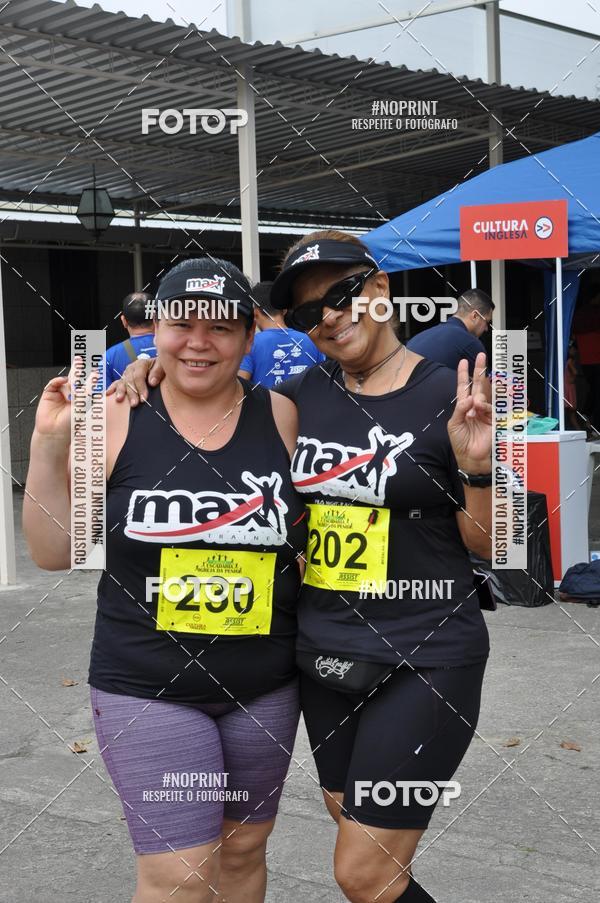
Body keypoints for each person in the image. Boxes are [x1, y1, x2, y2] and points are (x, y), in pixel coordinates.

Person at [113, 232, 493, 903]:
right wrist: (147, 370)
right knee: (352, 823)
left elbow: (489, 545)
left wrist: (478, 466)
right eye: (310, 311)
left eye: (343, 294)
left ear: (380, 288)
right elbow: (207, 388)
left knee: (364, 870)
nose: (331, 316)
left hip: (426, 654)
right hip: (324, 654)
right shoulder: (290, 399)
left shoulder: (453, 396)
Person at [23, 257, 308, 903]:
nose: (199, 342)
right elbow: (54, 551)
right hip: (148, 687)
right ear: (156, 330)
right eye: (182, 324)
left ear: (248, 335)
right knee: (179, 875)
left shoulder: (284, 416)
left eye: (221, 327)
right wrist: (48, 443)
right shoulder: (114, 415)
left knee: (243, 850)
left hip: (264, 687)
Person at [238, 281, 325, 387]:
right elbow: (323, 381)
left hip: (266, 398)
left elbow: (240, 386)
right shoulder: (311, 341)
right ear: (284, 310)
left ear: (255, 312)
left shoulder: (249, 344)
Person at [407, 288, 494, 373]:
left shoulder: (415, 340)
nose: (486, 328)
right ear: (475, 316)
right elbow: (484, 381)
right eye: (487, 322)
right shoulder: (470, 343)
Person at [102, 291, 157, 389]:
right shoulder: (175, 349)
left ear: (123, 321)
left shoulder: (108, 357)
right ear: (156, 318)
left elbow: (99, 395)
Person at [572, 284, 600, 433]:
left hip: (586, 361)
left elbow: (575, 339)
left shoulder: (579, 315)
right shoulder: (594, 314)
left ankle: (587, 415)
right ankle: (593, 423)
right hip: (596, 359)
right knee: (597, 392)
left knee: (594, 391)